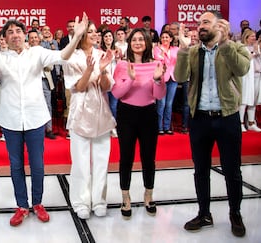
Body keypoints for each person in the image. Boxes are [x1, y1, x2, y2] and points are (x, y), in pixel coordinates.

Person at [0, 0, 88, 226]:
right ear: (5, 38)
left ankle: (37, 202)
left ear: (25, 34)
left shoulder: (37, 53)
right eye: (11, 32)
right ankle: (22, 205)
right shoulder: (0, 57)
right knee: (16, 164)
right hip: (11, 121)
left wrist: (76, 36)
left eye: (19, 31)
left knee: (37, 164)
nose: (15, 35)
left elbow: (62, 56)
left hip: (36, 118)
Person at [174, 11, 250, 238]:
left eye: (205, 22)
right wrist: (183, 50)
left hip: (227, 117)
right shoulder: (194, 51)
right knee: (200, 170)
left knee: (232, 170)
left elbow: (242, 69)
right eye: (199, 23)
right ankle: (204, 213)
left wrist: (226, 44)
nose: (200, 26)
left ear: (220, 26)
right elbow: (179, 77)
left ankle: (235, 213)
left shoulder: (235, 47)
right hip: (199, 119)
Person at [63, 21, 115, 220]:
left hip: (101, 113)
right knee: (81, 161)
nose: (95, 35)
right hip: (80, 114)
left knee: (102, 160)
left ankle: (99, 200)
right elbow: (78, 87)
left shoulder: (103, 54)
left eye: (96, 32)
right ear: (81, 35)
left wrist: (102, 70)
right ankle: (81, 201)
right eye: (90, 32)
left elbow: (106, 87)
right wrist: (88, 70)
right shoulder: (70, 57)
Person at [112, 28, 166, 218]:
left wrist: (158, 80)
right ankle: (125, 197)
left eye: (141, 39)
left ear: (147, 43)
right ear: (129, 43)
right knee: (126, 157)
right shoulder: (121, 65)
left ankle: (148, 194)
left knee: (148, 157)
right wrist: (130, 80)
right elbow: (117, 93)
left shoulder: (156, 64)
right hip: (126, 114)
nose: (137, 43)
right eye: (134, 39)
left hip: (148, 114)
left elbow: (159, 95)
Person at [239, 29, 261, 132]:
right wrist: (254, 51)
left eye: (255, 36)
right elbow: (243, 61)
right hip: (246, 78)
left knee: (254, 101)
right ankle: (241, 123)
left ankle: (251, 123)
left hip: (257, 77)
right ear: (246, 38)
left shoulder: (258, 47)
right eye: (252, 36)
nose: (254, 38)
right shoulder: (242, 48)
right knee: (244, 100)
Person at [153, 30, 179, 134]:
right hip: (162, 77)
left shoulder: (176, 49)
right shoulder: (157, 49)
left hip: (173, 78)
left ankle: (167, 127)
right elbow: (158, 60)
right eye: (163, 37)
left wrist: (164, 57)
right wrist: (163, 56)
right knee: (161, 103)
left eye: (167, 37)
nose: (164, 39)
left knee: (169, 103)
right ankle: (159, 127)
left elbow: (177, 61)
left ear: (171, 39)